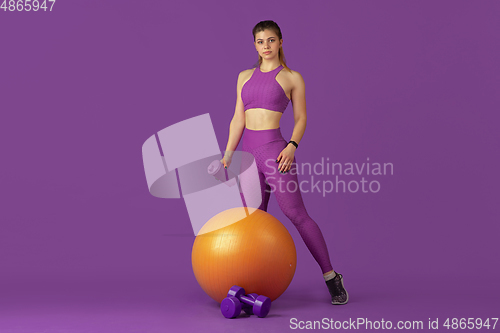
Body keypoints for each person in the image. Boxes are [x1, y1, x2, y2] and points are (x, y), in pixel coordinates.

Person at [220, 20, 348, 305]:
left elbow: (301, 118)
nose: (265, 46)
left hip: (276, 153)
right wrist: (228, 153)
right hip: (248, 155)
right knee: (252, 220)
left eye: (271, 40)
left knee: (296, 214)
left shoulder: (292, 78)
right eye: (260, 41)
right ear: (254, 45)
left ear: (280, 42)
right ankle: (251, 284)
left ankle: (331, 277)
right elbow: (238, 118)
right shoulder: (243, 76)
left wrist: (292, 146)